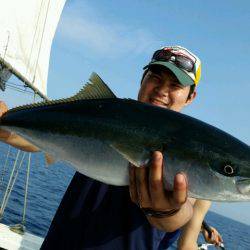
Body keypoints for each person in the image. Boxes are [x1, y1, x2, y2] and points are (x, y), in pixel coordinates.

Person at [0, 45, 221, 249]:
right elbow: (45, 141)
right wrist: (6, 129)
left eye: (175, 85)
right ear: (143, 78)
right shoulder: (103, 116)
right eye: (155, 77)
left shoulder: (199, 165)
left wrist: (166, 210)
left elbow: (180, 216)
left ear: (191, 96)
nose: (162, 90)